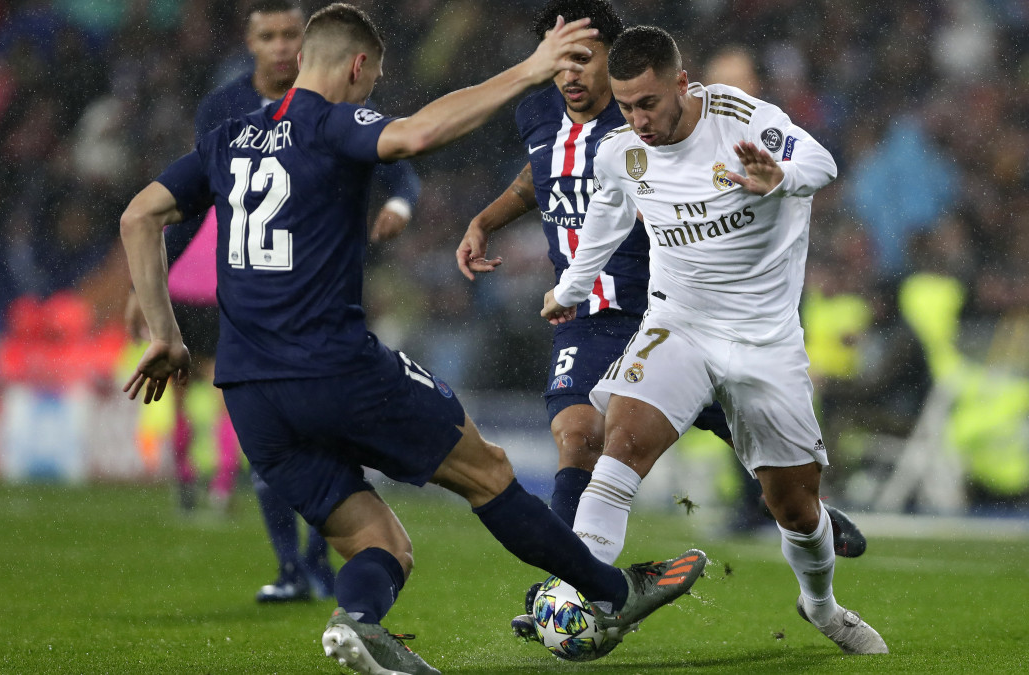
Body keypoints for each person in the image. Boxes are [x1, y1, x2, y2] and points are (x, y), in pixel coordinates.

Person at [120, 6, 706, 674]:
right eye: (371, 84)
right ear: (358, 66)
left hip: (251, 392)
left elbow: (139, 215)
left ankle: (357, 620)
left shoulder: (229, 135)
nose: (368, 96)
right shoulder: (331, 121)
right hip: (336, 367)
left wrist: (166, 334)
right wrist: (529, 70)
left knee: (381, 541)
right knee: (486, 472)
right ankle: (613, 591)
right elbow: (419, 133)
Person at [456, 0, 866, 638]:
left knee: (793, 505)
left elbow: (823, 163)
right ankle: (579, 596)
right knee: (612, 442)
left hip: (763, 339)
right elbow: (605, 217)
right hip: (677, 324)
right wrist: (569, 287)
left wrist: (777, 176)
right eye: (625, 106)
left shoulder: (740, 117)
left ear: (681, 83)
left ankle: (821, 605)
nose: (636, 119)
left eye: (647, 103)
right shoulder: (622, 149)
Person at [126, 0, 422, 604]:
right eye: (270, 35)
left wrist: (400, 205)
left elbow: (398, 162)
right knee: (271, 438)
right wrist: (148, 278)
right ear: (251, 41)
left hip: (323, 287)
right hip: (247, 295)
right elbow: (190, 200)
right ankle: (293, 567)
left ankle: (316, 563)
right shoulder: (224, 108)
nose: (283, 46)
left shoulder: (335, 97)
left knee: (321, 443)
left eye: (292, 33)